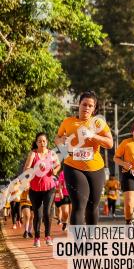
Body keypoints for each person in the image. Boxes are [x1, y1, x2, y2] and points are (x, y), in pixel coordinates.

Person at [55, 92, 113, 226]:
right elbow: (57, 139)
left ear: (94, 109)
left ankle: (90, 241)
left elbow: (110, 143)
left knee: (92, 206)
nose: (86, 108)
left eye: (90, 106)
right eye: (84, 104)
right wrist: (62, 143)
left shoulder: (98, 123)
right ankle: (79, 244)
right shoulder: (68, 122)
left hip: (96, 168)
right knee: (79, 205)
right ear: (79, 105)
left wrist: (93, 136)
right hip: (73, 166)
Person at [23, 132, 59, 247]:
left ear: (47, 142)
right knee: (38, 215)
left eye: (44, 141)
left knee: (47, 213)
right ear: (36, 142)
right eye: (39, 141)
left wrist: (55, 171)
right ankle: (37, 238)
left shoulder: (51, 153)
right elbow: (26, 169)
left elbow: (58, 165)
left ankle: (48, 236)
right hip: (35, 189)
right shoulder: (33, 154)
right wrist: (36, 168)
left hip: (49, 188)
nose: (42, 143)